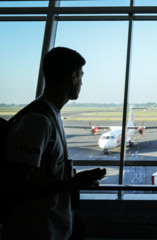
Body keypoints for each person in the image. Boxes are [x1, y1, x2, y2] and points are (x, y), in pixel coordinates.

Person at [3, 47, 105, 240]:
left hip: (53, 228)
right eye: (81, 76)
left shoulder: (52, 115)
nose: (82, 82)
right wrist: (72, 183)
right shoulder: (38, 121)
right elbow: (16, 186)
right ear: (73, 76)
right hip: (35, 231)